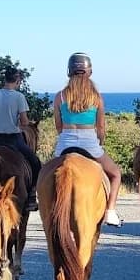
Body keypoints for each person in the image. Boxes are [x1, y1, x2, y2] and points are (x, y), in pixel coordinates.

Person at [53, 52, 124, 226]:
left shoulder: (60, 96)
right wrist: (100, 142)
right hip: (89, 143)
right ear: (89, 72)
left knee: (44, 175)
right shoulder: (96, 97)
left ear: (69, 71)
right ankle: (111, 211)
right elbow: (100, 127)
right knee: (115, 174)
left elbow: (58, 126)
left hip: (65, 144)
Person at [0, 67, 41, 210]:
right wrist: (25, 123)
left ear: (5, 79)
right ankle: (31, 197)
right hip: (13, 139)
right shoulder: (19, 97)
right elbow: (24, 122)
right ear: (17, 81)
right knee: (35, 162)